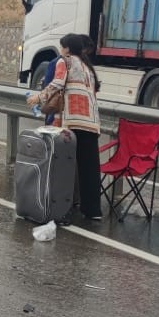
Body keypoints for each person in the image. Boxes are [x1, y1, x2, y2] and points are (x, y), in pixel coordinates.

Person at [26, 33, 103, 222]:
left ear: (67, 48)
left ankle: (62, 209)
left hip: (72, 122)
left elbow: (57, 83)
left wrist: (38, 98)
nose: (61, 50)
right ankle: (93, 211)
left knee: (65, 167)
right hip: (91, 123)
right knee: (89, 169)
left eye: (62, 47)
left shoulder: (65, 61)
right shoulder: (88, 67)